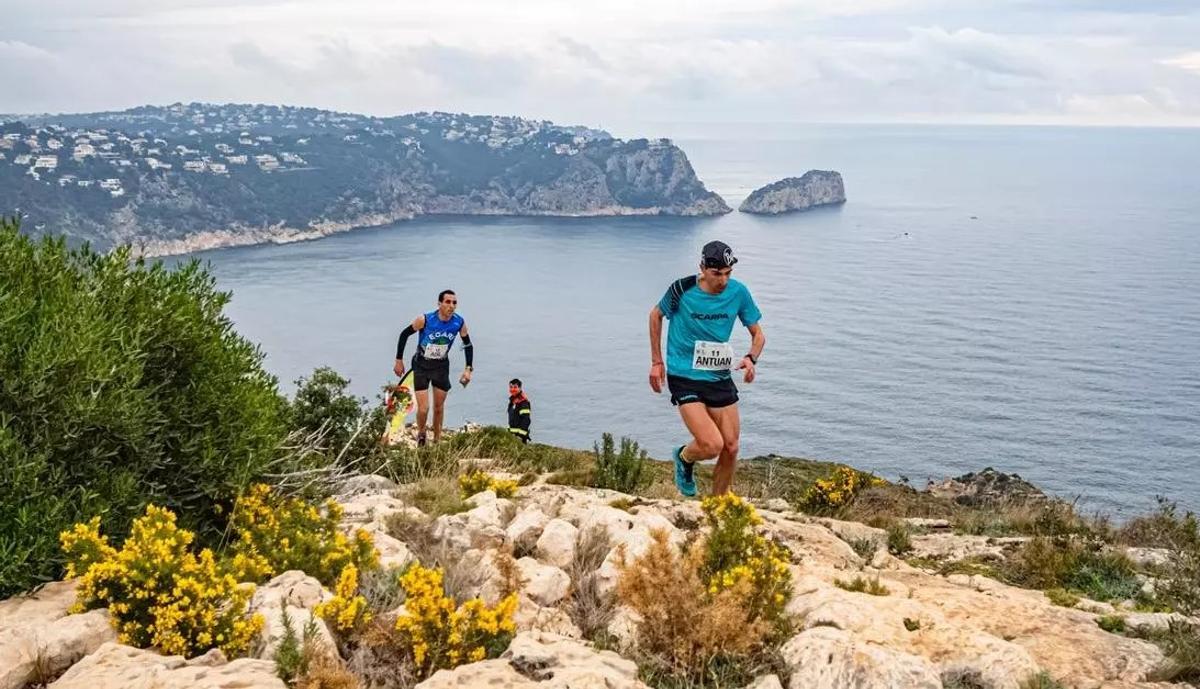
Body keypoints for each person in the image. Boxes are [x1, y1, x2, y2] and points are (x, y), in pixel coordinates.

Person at [648, 240, 766, 497]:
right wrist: (657, 362)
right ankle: (684, 458)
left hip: (718, 374)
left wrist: (751, 358)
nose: (723, 280)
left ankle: (718, 503)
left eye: (728, 273)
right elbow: (655, 315)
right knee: (712, 444)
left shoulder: (738, 292)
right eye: (716, 273)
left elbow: (758, 335)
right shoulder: (682, 289)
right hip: (684, 374)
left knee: (731, 447)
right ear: (702, 268)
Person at [394, 289, 473, 446]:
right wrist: (399, 360)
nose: (451, 306)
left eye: (454, 303)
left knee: (438, 408)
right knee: (424, 408)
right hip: (421, 365)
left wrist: (468, 369)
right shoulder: (425, 319)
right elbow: (404, 334)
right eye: (448, 302)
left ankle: (437, 441)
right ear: (439, 304)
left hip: (441, 366)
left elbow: (468, 344)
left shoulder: (459, 322)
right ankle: (422, 433)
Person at [507, 378, 532, 443]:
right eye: (511, 387)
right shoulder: (513, 401)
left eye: (515, 387)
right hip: (512, 436)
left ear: (520, 388)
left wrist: (520, 436)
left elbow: (526, 420)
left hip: (519, 438)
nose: (512, 389)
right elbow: (512, 419)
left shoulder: (523, 402)